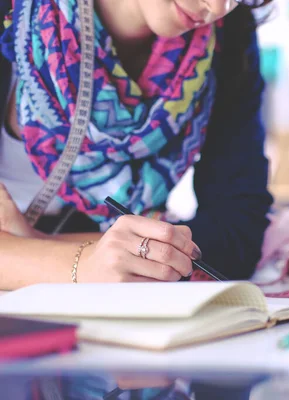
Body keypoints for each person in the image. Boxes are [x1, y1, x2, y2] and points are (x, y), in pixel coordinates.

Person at [0, 0, 274, 289]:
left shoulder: (228, 37)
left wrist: (34, 250)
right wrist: (83, 263)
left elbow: (238, 234)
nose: (218, 8)